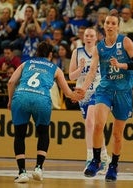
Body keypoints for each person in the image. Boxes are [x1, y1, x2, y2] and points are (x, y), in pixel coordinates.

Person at [78, 9, 133, 182]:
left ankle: (113, 165)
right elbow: (92, 72)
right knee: (98, 125)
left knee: (117, 134)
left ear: (118, 27)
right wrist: (83, 89)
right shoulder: (99, 47)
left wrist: (122, 65)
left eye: (113, 23)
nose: (110, 25)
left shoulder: (125, 42)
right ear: (103, 25)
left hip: (123, 91)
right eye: (107, 23)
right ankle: (96, 160)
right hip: (105, 89)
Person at [7, 41, 83, 183]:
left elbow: (11, 82)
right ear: (50, 55)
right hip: (41, 99)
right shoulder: (55, 68)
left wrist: (11, 100)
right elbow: (67, 93)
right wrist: (78, 96)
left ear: (37, 53)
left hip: (21, 96)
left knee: (19, 135)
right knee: (43, 133)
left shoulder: (26, 64)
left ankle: (22, 172)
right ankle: (38, 168)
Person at [69, 27, 110, 173]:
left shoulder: (101, 51)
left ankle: (90, 157)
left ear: (96, 37)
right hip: (82, 93)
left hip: (98, 91)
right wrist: (80, 68)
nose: (88, 37)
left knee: (90, 122)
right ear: (83, 37)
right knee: (94, 126)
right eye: (86, 35)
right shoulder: (77, 52)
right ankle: (104, 157)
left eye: (91, 35)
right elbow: (71, 77)